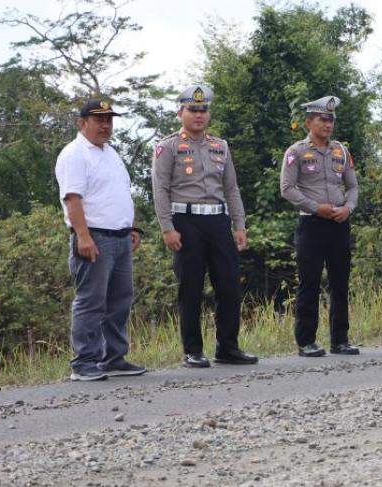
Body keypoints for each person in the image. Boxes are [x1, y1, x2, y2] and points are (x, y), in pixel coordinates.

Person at [151, 84, 257, 368]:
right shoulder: (168, 146)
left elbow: (231, 188)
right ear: (180, 113)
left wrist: (239, 224)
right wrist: (167, 228)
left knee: (228, 284)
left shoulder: (219, 146)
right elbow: (160, 189)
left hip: (218, 220)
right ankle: (193, 350)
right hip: (185, 220)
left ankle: (228, 347)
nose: (199, 115)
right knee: (191, 287)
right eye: (193, 109)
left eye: (203, 110)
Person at [55, 99, 147, 381]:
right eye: (99, 120)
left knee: (120, 300)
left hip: (119, 238)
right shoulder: (74, 154)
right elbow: (72, 199)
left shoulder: (110, 153)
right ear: (83, 123)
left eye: (109, 119)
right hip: (94, 237)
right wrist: (83, 236)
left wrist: (131, 228)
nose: (105, 125)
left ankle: (113, 359)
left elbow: (118, 194)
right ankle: (84, 362)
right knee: (91, 301)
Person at [280, 95, 360, 357]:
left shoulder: (341, 151)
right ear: (309, 122)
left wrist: (348, 207)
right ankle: (306, 342)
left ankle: (340, 340)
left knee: (340, 282)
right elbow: (287, 189)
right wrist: (316, 208)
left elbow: (352, 186)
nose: (327, 124)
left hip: (338, 223)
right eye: (322, 119)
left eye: (331, 119)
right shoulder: (296, 152)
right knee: (309, 283)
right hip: (311, 223)